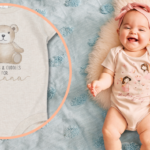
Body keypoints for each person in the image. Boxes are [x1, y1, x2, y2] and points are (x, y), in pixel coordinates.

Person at [87, 2, 150, 150]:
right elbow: (108, 75)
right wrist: (100, 84)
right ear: (118, 31)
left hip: (145, 110)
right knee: (109, 131)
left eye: (141, 29)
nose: (133, 32)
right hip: (119, 109)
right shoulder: (116, 53)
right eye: (127, 27)